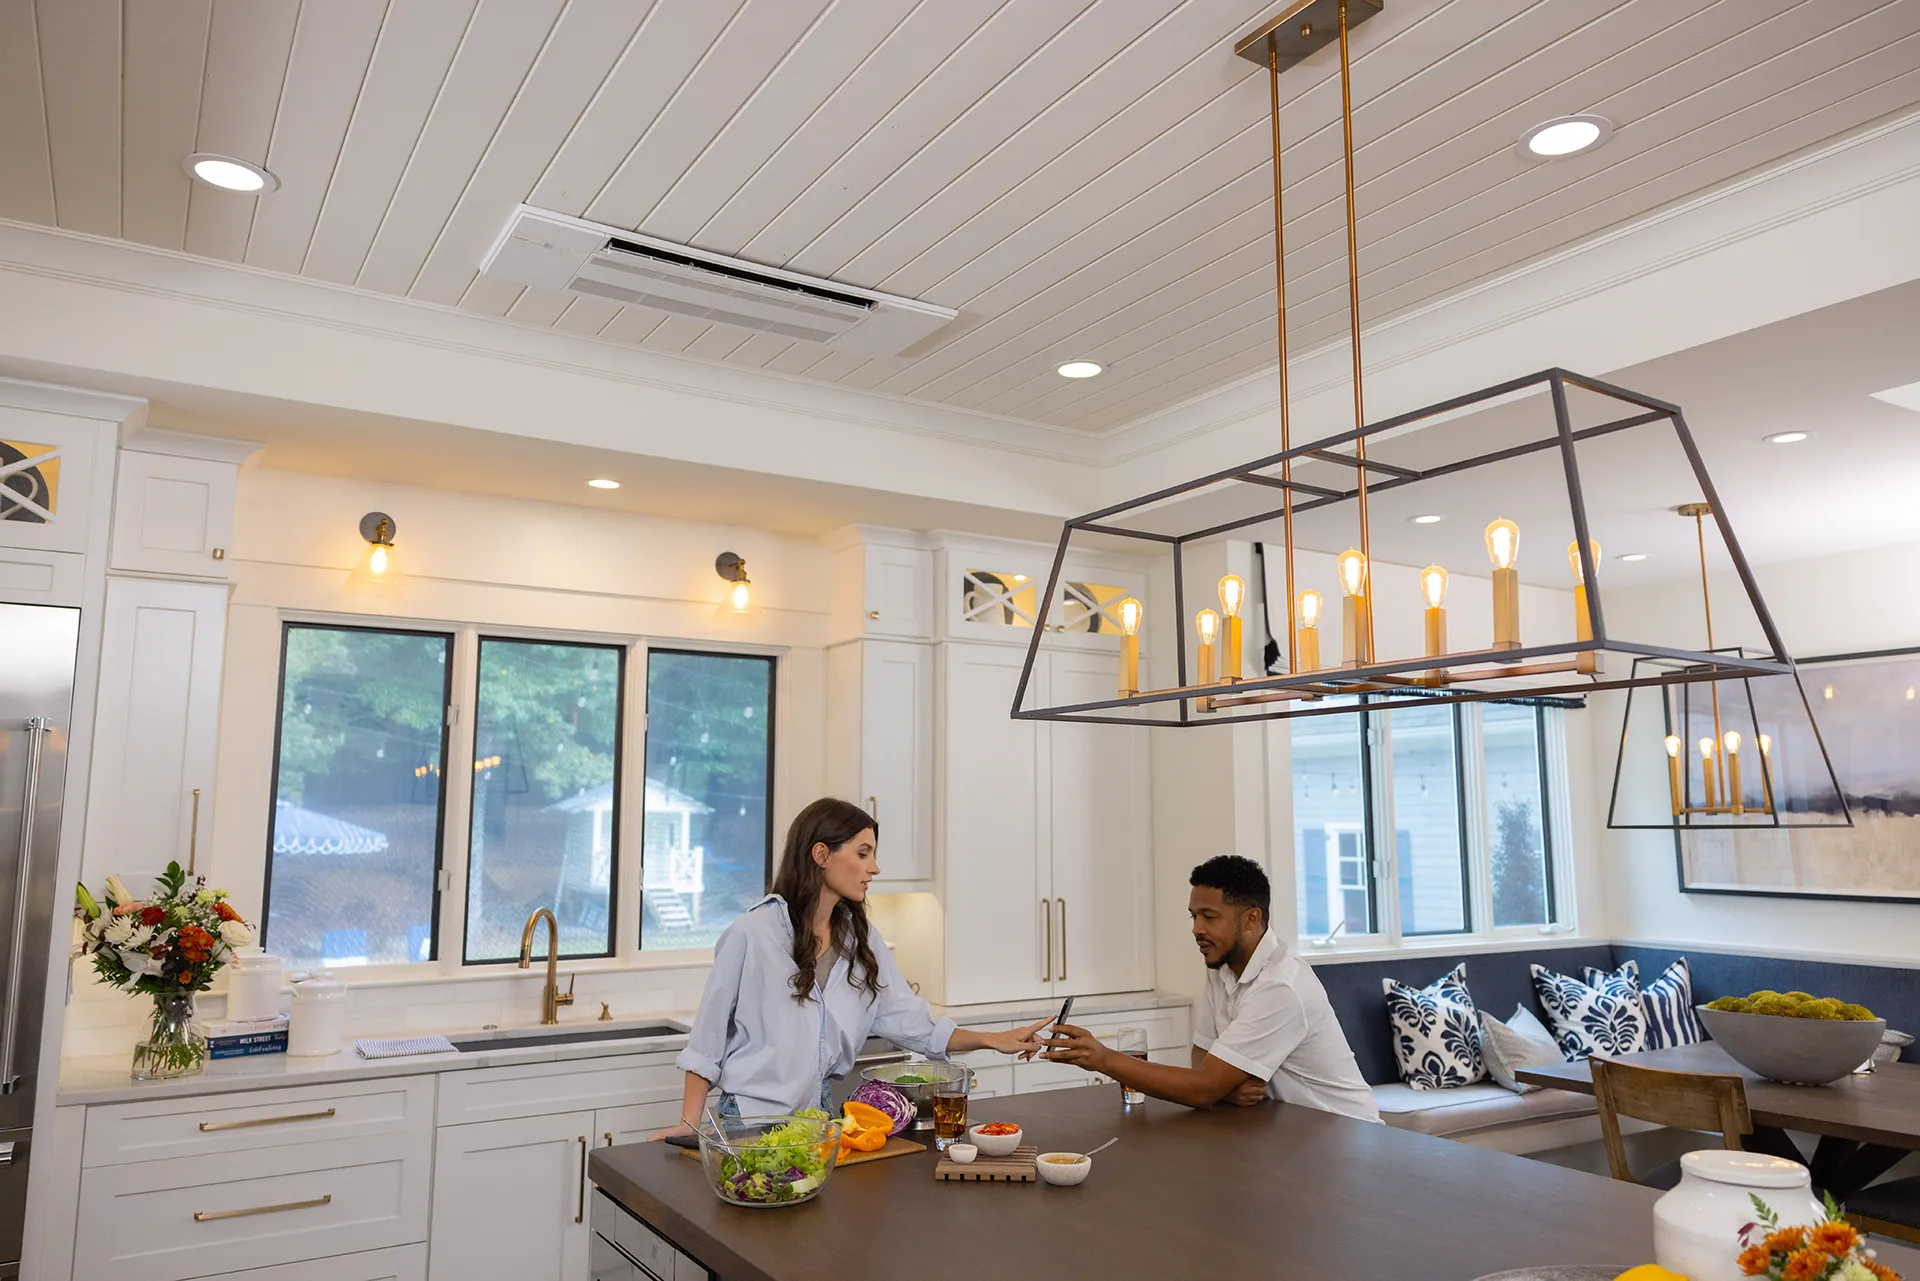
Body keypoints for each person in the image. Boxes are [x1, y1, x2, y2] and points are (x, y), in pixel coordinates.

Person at [651, 798, 1048, 1138]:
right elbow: (707, 1040)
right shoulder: (752, 932)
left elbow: (914, 1024)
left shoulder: (864, 941)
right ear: (821, 855)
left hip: (820, 1120)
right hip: (749, 1121)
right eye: (863, 853)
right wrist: (689, 1122)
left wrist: (995, 1039)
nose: (875, 867)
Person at [1043, 854, 1380, 1123]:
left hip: (1348, 1139)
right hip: (1289, 1131)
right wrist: (1224, 1087)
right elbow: (1202, 1059)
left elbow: (1202, 1089)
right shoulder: (1221, 968)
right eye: (1193, 917)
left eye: (1209, 917)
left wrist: (1103, 1059)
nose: (1196, 929)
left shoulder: (1280, 987)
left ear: (1251, 919)